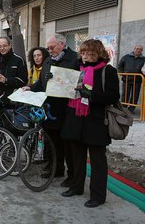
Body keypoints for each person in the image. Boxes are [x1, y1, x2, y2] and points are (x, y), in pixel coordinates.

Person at [60, 39, 119, 208]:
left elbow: (113, 96)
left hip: (96, 120)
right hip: (76, 118)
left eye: (88, 52)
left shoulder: (108, 71)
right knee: (77, 157)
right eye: (83, 52)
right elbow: (65, 88)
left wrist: (91, 95)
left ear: (98, 53)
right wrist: (55, 81)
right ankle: (76, 187)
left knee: (97, 160)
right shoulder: (77, 68)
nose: (84, 55)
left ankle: (98, 196)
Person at [26, 33, 78, 187]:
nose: (49, 50)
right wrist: (29, 88)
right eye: (48, 48)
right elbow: (41, 84)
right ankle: (56, 168)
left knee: (67, 144)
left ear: (62, 44)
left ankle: (72, 175)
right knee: (52, 141)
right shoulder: (48, 60)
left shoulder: (74, 59)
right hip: (50, 109)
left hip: (67, 109)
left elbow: (76, 82)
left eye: (52, 47)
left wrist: (57, 79)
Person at [0, 36, 28, 104]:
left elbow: (23, 80)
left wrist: (6, 80)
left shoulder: (19, 60)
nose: (2, 48)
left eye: (4, 46)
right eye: (0, 46)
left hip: (15, 99)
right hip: (0, 99)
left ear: (10, 45)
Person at [117, 45, 145, 113]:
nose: (138, 50)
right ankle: (124, 108)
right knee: (125, 94)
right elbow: (119, 66)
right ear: (134, 49)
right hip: (127, 79)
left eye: (140, 49)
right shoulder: (126, 57)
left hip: (137, 80)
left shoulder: (143, 59)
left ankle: (131, 109)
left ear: (142, 51)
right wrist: (122, 74)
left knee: (135, 96)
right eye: (137, 49)